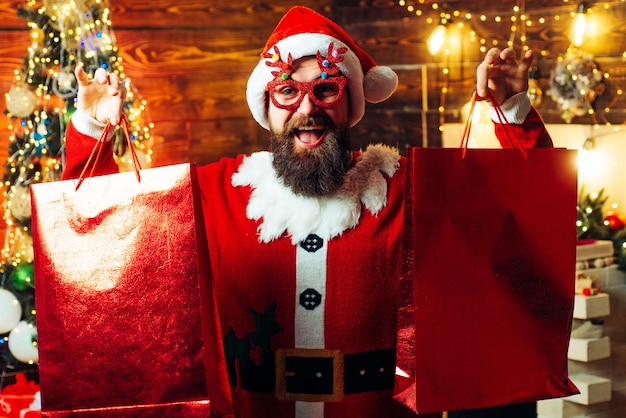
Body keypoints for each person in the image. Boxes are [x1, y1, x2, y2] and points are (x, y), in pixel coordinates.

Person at [60, 6, 553, 418]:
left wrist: (512, 111)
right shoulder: (218, 191)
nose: (307, 108)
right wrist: (91, 127)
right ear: (268, 106)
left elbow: (517, 224)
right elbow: (104, 235)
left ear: (350, 102)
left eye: (326, 89)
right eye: (288, 91)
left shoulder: (405, 188)